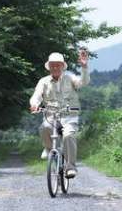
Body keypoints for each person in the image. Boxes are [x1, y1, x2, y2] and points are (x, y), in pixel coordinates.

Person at [29, 50, 89, 178]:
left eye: (58, 65)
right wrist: (34, 104)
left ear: (62, 66)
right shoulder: (43, 81)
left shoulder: (70, 77)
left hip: (69, 115)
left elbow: (83, 82)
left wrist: (84, 67)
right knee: (44, 127)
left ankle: (70, 167)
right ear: (49, 67)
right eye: (53, 65)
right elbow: (37, 95)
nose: (55, 67)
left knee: (68, 136)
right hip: (51, 116)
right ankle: (49, 149)